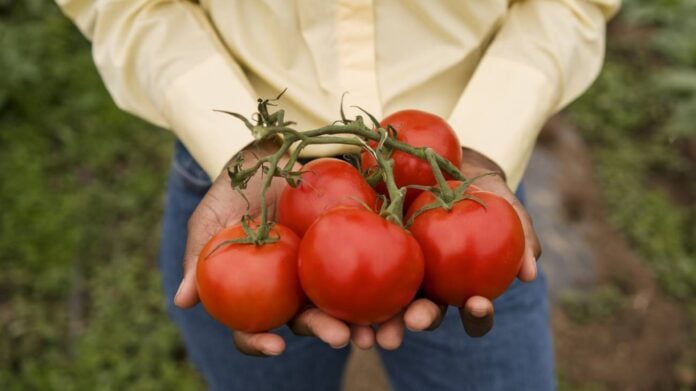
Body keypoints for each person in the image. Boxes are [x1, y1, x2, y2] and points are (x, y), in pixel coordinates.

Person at [56, 1, 619, 389]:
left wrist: (488, 144)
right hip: (250, 192)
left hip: (455, 181)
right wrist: (236, 147)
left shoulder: (459, 194)